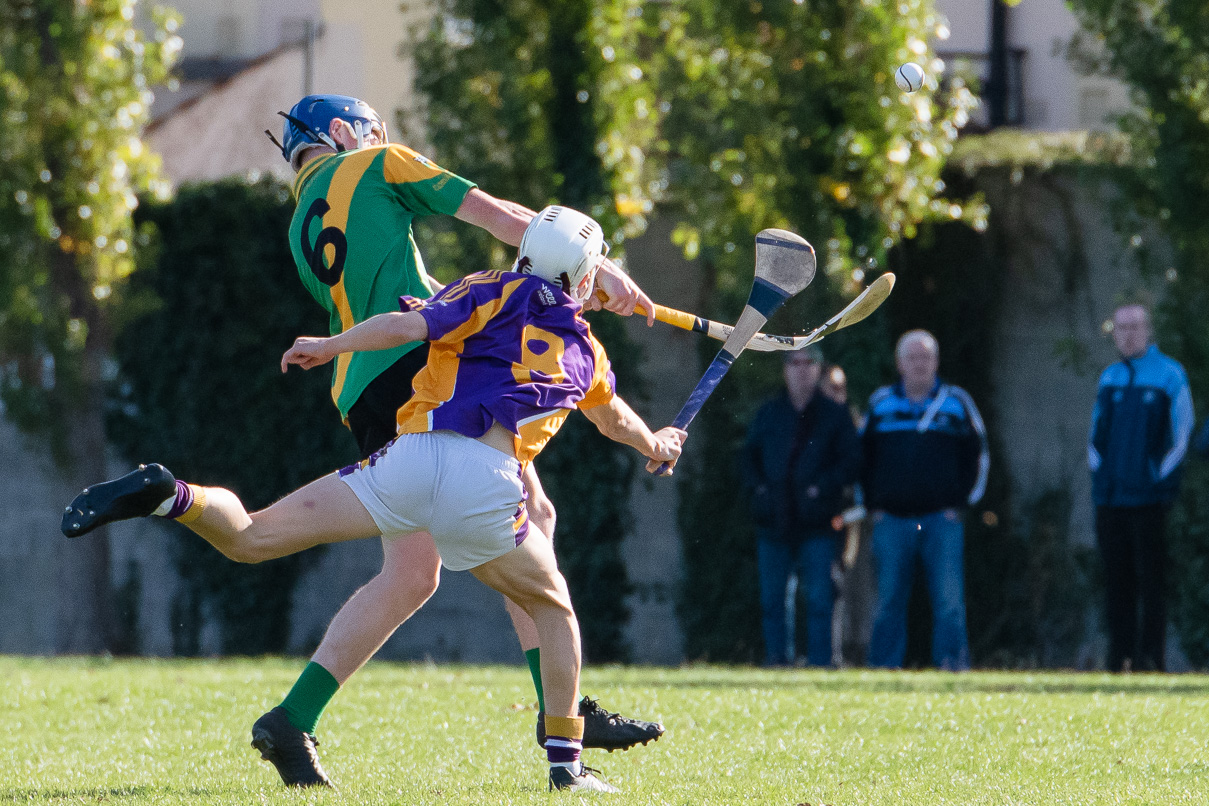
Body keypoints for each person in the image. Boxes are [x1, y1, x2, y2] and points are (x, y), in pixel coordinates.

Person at [62, 207, 686, 793]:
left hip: (407, 460)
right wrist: (655, 443)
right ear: (582, 275)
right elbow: (614, 420)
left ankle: (172, 495)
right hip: (487, 482)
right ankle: (567, 765)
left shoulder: (488, 286)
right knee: (552, 608)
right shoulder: (588, 349)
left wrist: (332, 346)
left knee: (252, 536)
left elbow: (406, 326)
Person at [265, 94, 663, 768]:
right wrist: (595, 266)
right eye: (374, 129)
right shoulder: (377, 163)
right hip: (418, 369)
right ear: (343, 133)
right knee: (529, 514)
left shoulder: (302, 216)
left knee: (414, 574)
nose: (382, 138)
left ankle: (291, 719)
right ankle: (560, 718)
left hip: (361, 387)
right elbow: (508, 221)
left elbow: (397, 290)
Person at [862, 330, 988, 671]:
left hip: (941, 521)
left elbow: (980, 455)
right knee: (888, 600)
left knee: (949, 601)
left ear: (936, 361)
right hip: (892, 521)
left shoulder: (956, 402)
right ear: (900, 363)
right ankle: (883, 669)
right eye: (913, 357)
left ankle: (953, 668)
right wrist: (872, 507)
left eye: (927, 357)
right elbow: (861, 459)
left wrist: (961, 505)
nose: (920, 364)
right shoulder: (881, 403)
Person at [739, 344, 860, 667]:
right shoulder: (769, 412)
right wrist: (761, 490)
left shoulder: (835, 415)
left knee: (821, 598)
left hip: (819, 522)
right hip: (774, 520)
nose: (802, 369)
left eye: (809, 363)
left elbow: (851, 462)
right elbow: (748, 457)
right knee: (773, 600)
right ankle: (778, 661)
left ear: (819, 369)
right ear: (785, 369)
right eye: (795, 363)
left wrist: (823, 488)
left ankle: (823, 662)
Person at [1089, 302, 1193, 672]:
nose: (1128, 334)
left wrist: (1155, 478)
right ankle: (1119, 658)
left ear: (1149, 331)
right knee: (1116, 581)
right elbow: (1095, 439)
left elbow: (1181, 437)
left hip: (1150, 500)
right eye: (1121, 328)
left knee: (1152, 582)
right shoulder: (1110, 378)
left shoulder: (1169, 375)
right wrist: (1103, 480)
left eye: (1134, 327)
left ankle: (1151, 659)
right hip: (1112, 499)